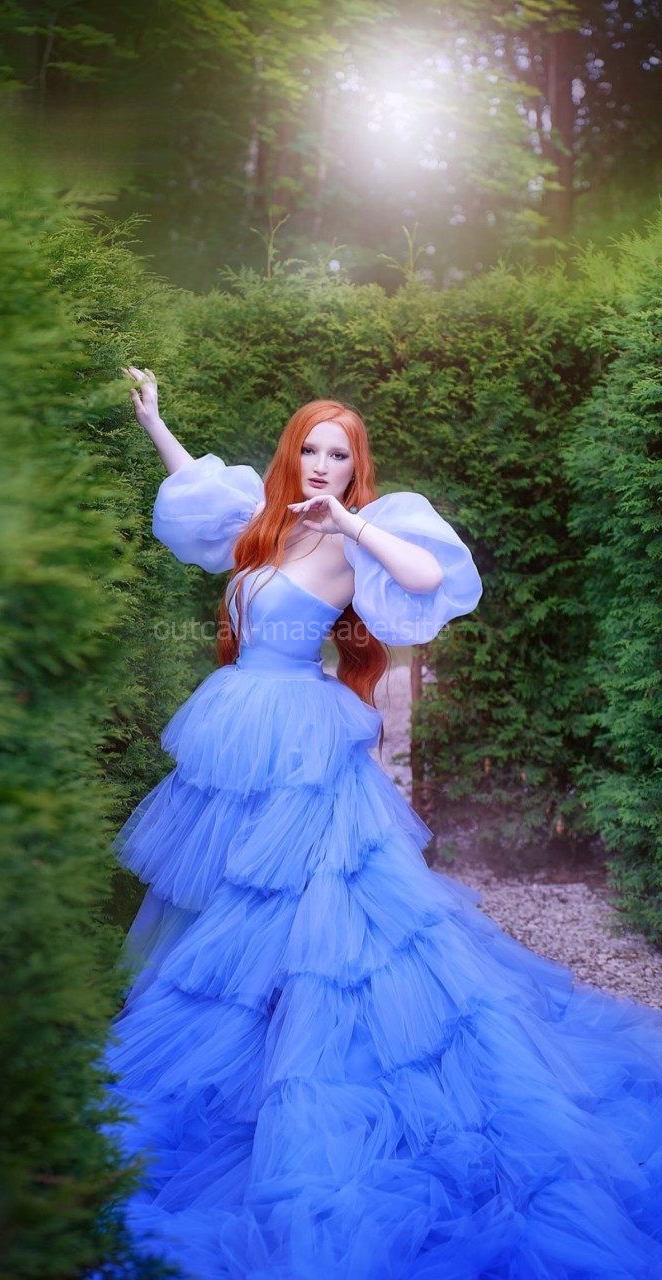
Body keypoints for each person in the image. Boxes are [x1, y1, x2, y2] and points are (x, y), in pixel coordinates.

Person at [99, 366, 662, 1280]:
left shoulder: (347, 536)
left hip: (301, 745)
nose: (322, 465)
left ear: (355, 467)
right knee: (231, 911)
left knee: (317, 914)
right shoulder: (264, 526)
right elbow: (199, 499)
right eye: (310, 450)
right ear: (291, 456)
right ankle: (250, 1056)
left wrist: (351, 523)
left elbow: (428, 575)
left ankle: (316, 1073)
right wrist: (157, 423)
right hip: (237, 735)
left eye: (339, 454)